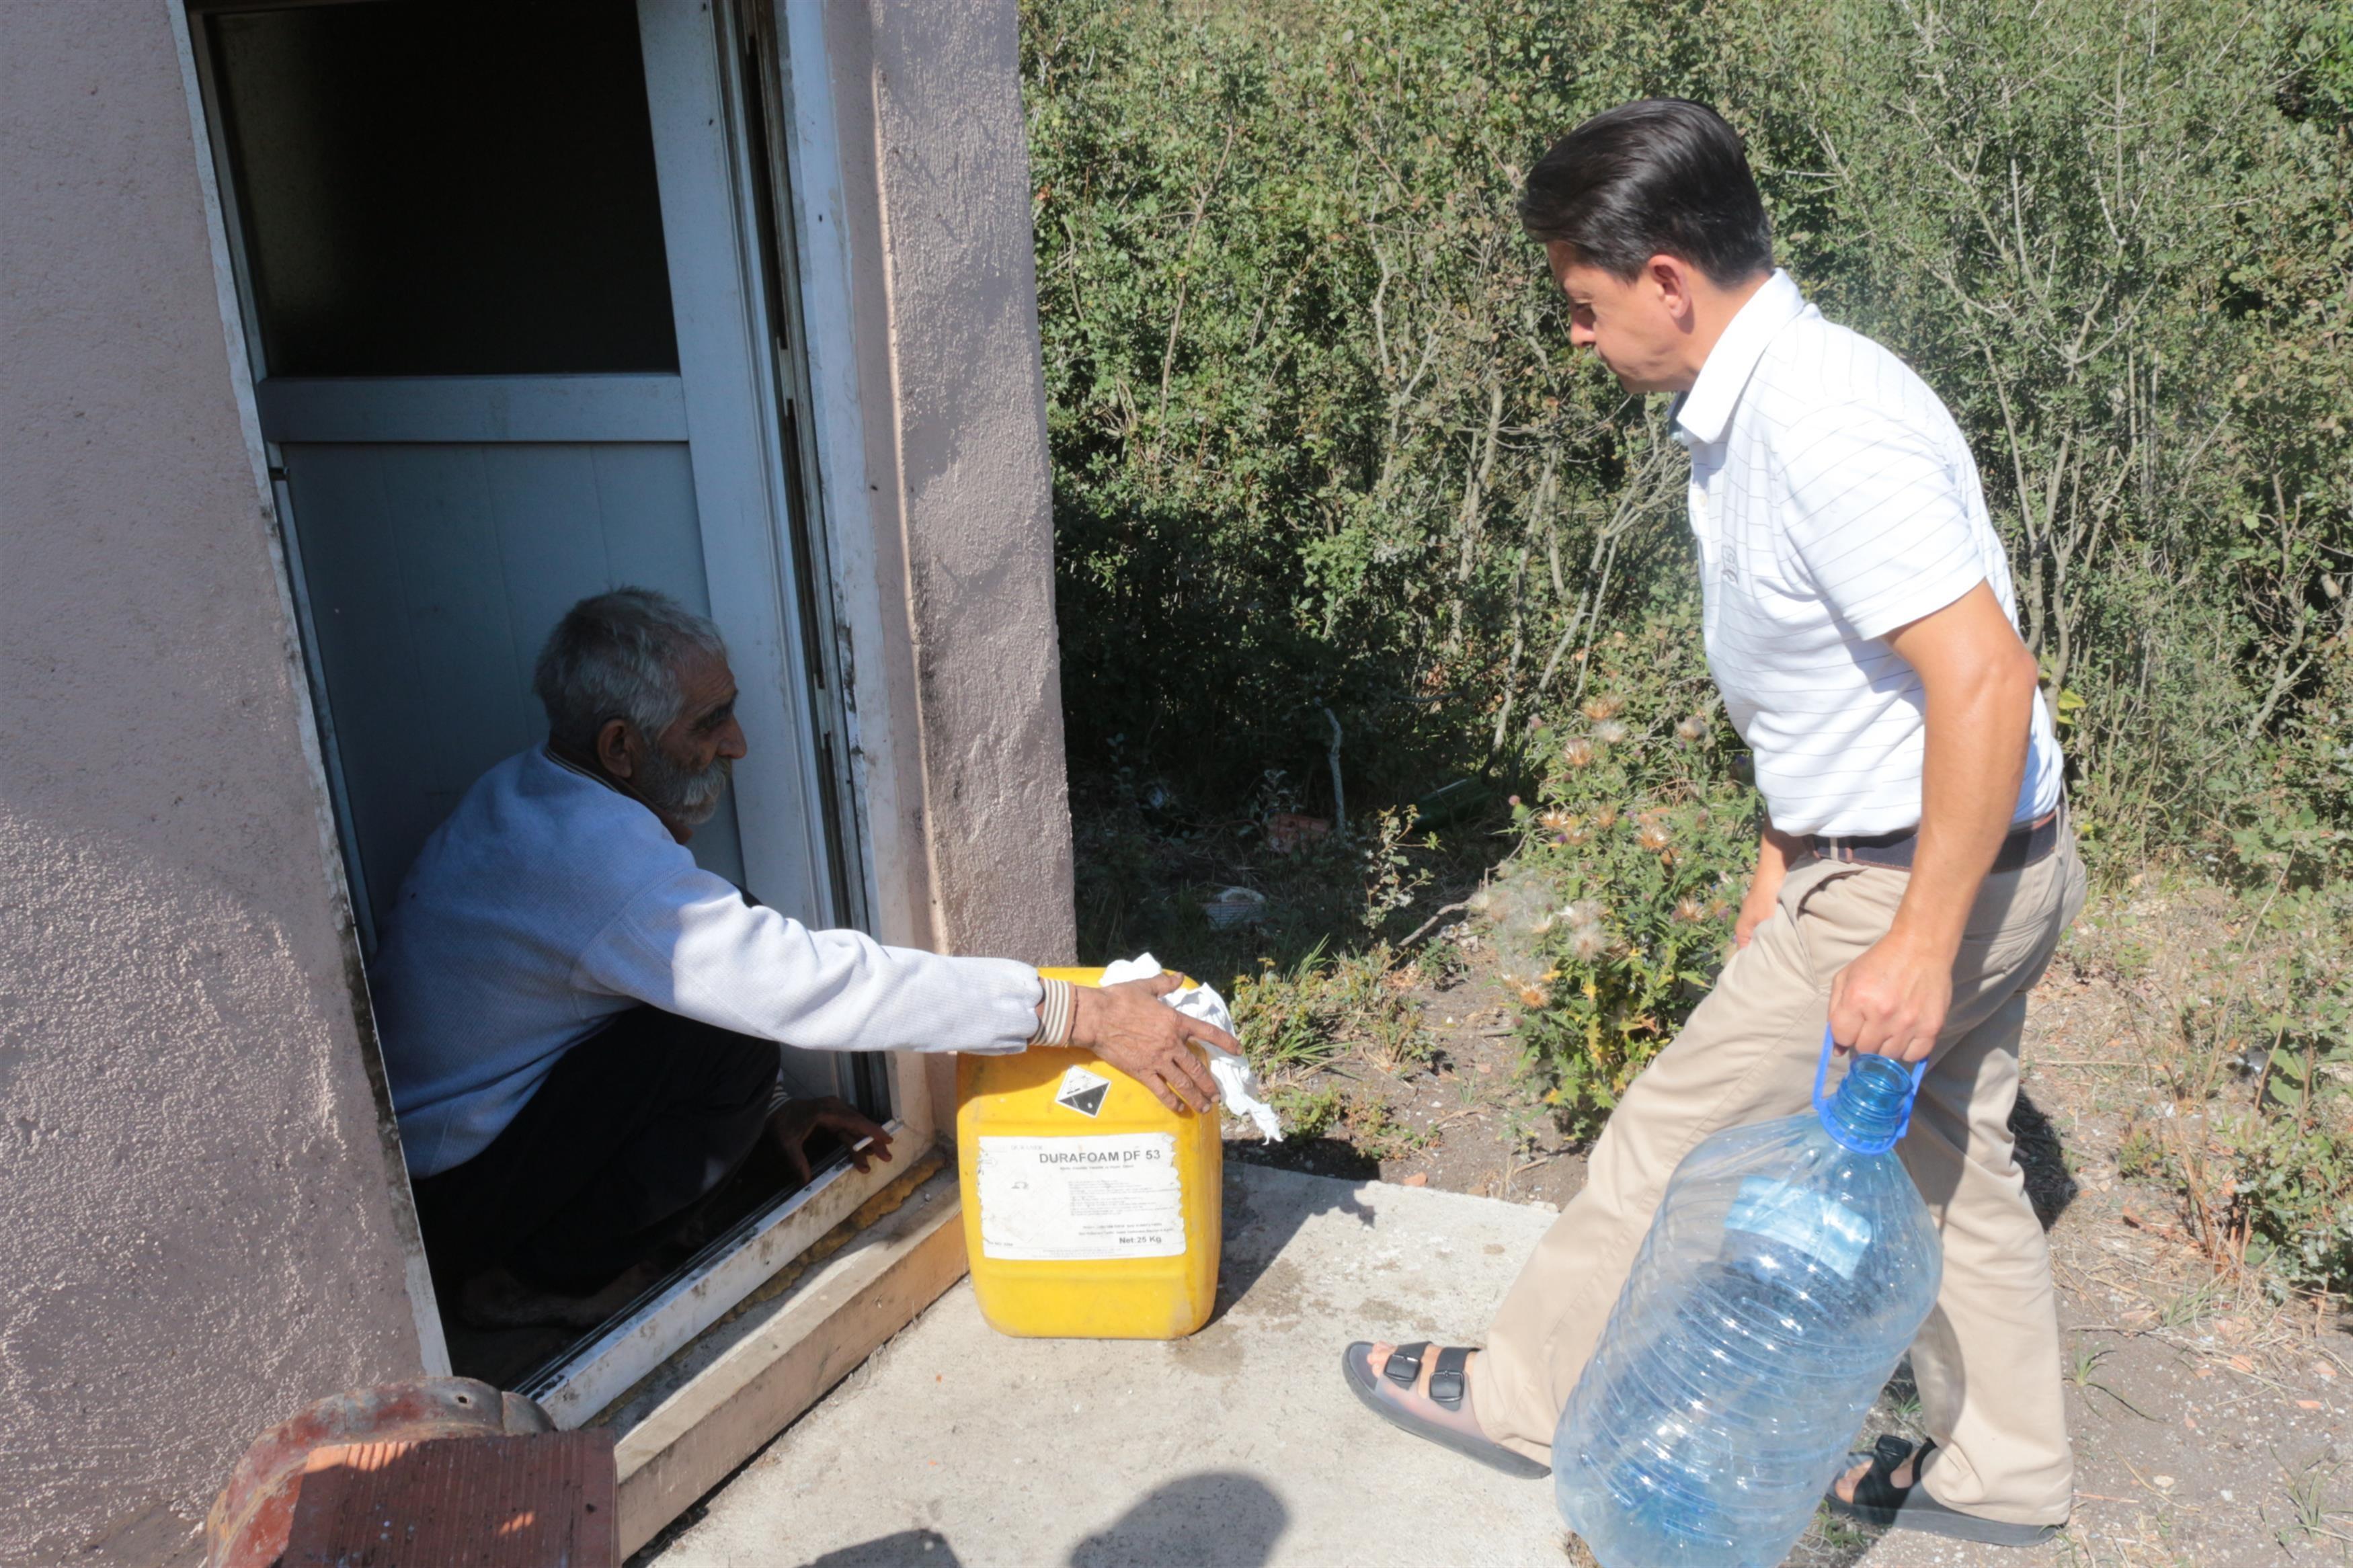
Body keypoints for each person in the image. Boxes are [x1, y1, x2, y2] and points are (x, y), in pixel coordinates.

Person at [1342, 100, 2083, 1548]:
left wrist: (1914, 943)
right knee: (1955, 1166)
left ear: (1667, 279)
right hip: (1953, 859)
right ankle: (2008, 1471)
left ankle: (1523, 1394)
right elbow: (1829, 686)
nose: (1574, 334)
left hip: (1914, 879)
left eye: (1581, 300)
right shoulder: (1779, 401)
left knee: (1669, 1140)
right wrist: (1778, 854)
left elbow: (1984, 676)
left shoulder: (1818, 423)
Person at [374, 587, 1236, 1327]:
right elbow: (805, 986)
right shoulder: (593, 861)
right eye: (707, 723)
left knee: (723, 957)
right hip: (458, 1198)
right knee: (728, 1038)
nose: (738, 742)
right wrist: (1077, 1011)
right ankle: (532, 1282)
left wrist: (769, 1109)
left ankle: (567, 1240)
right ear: (620, 749)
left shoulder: (530, 790)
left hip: (458, 1162)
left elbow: (709, 966)